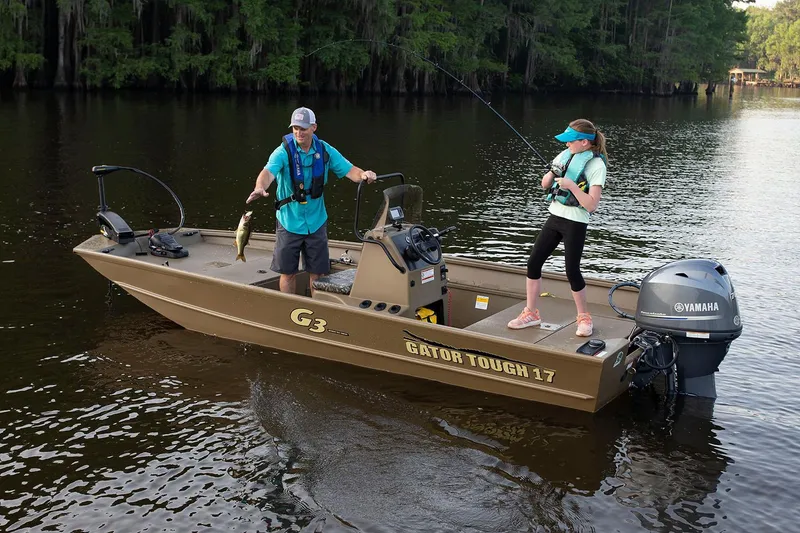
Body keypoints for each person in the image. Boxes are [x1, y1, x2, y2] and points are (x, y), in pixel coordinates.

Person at [246, 107, 377, 294]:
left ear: (314, 127)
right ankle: (288, 310)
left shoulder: (324, 150)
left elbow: (350, 170)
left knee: (319, 273)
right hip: (289, 221)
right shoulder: (283, 151)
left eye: (303, 128)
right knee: (288, 273)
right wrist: (260, 187)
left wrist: (364, 174)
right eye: (295, 128)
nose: (299, 132)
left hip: (316, 221)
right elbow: (267, 173)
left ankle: (317, 310)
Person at [507, 119, 608, 337]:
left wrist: (571, 185)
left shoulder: (597, 166)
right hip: (555, 217)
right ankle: (531, 313)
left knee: (572, 271)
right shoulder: (564, 156)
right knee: (533, 263)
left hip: (576, 222)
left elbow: (592, 205)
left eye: (570, 141)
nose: (566, 145)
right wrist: (553, 173)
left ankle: (584, 318)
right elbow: (545, 185)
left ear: (584, 142)